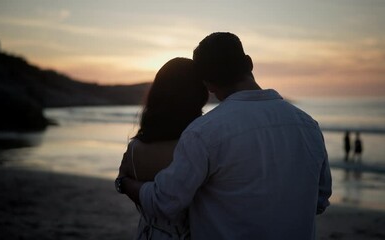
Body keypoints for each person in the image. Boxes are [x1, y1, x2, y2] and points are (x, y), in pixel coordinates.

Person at [119, 32, 332, 239]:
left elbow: (165, 201)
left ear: (208, 84)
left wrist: (125, 184)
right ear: (249, 63)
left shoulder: (204, 132)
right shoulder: (308, 125)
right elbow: (320, 199)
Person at [116, 57, 209, 239]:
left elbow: (138, 193)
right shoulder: (200, 146)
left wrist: (122, 183)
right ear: (200, 94)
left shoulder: (135, 149)